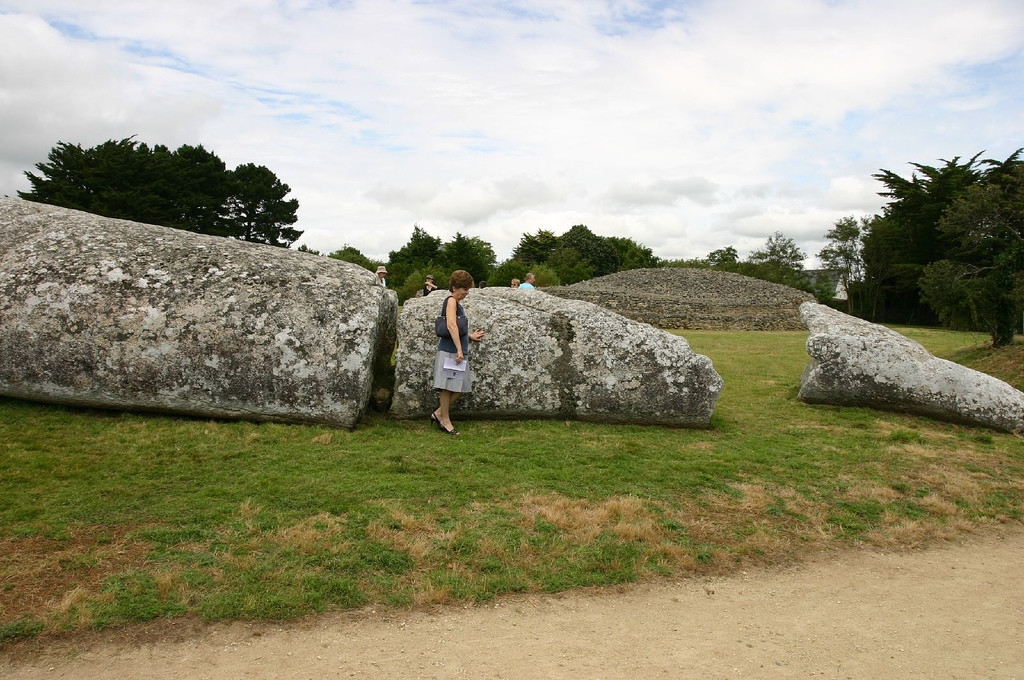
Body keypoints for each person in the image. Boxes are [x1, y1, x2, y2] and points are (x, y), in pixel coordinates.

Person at [431, 270, 485, 436]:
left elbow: (458, 328)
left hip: (455, 350)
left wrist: (470, 336)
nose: (467, 292)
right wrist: (459, 349)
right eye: (464, 289)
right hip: (450, 351)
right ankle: (445, 420)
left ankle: (438, 414)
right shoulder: (451, 301)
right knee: (447, 388)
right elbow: (451, 325)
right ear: (455, 288)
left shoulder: (457, 303)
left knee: (459, 388)